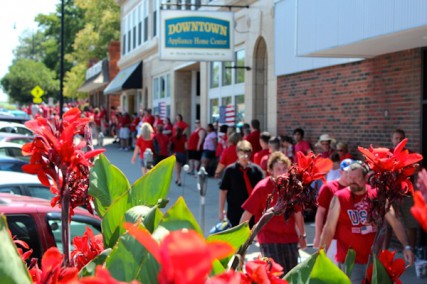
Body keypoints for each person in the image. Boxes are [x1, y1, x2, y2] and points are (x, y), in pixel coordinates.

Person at [319, 162, 414, 283]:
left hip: (374, 259)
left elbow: (395, 222)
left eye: (356, 178)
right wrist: (321, 254)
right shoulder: (339, 197)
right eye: (350, 178)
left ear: (365, 178)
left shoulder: (377, 195)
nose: (352, 181)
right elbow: (329, 229)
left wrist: (406, 246)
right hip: (351, 260)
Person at [240, 152, 306, 274]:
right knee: (275, 275)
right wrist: (241, 240)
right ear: (271, 170)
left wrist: (302, 235)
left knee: (291, 275)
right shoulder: (262, 187)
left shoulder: (292, 188)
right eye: (278, 169)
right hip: (269, 239)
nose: (282, 172)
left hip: (289, 238)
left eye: (284, 168)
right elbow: (247, 214)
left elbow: (298, 213)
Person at [384, 128, 419, 250]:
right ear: (392, 140)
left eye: (401, 138)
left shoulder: (410, 154)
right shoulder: (387, 154)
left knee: (411, 224)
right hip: (391, 194)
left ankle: (411, 251)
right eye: (396, 138)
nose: (399, 141)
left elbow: (415, 170)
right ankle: (384, 251)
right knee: (388, 225)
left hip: (407, 194)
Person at [313, 158, 353, 264]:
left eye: (352, 172)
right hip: (332, 238)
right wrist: (318, 236)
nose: (349, 175)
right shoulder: (328, 188)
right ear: (340, 172)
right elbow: (320, 213)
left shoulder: (355, 189)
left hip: (349, 238)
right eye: (347, 172)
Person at [219, 140, 264, 227]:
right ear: (237, 153)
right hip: (235, 210)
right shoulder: (230, 170)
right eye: (241, 154)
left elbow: (262, 191)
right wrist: (221, 210)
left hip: (253, 210)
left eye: (246, 154)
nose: (244, 157)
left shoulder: (257, 170)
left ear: (250, 154)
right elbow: (223, 191)